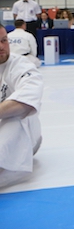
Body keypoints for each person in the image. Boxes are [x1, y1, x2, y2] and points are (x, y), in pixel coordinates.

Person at [0, 24, 44, 189]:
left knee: (15, 116)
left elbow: (25, 103)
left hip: (25, 132)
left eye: (4, 40)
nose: (1, 46)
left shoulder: (21, 65)